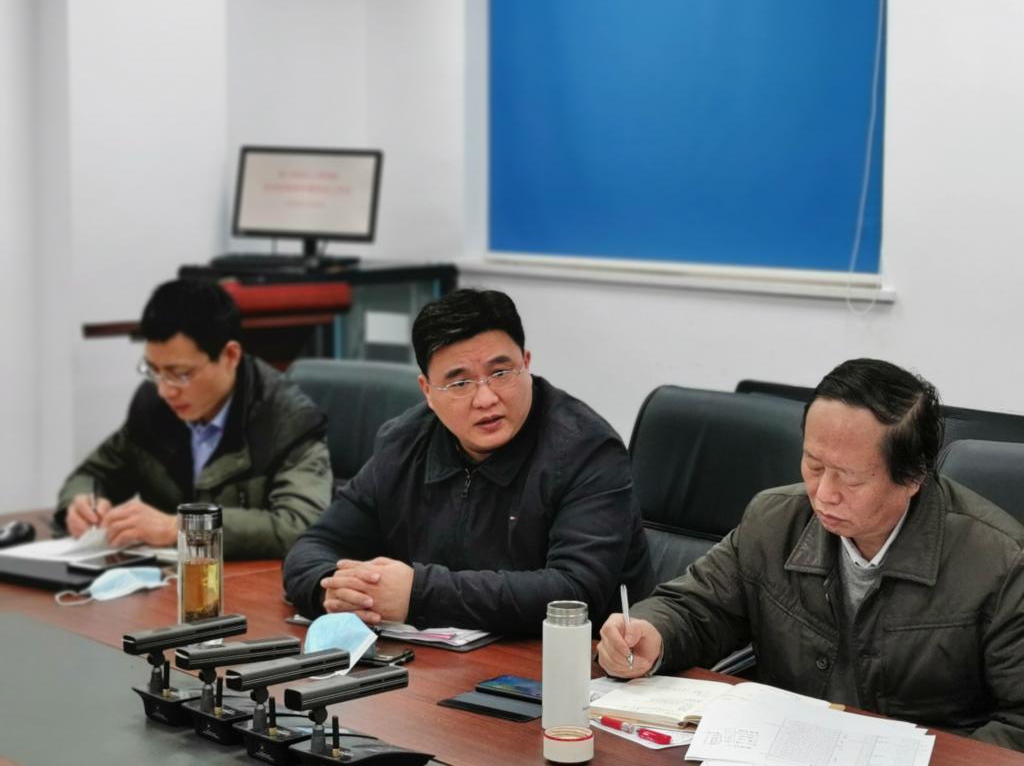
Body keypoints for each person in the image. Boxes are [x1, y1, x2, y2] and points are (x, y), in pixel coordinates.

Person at [597, 358, 1024, 751]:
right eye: (814, 466)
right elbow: (696, 608)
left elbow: (1018, 723)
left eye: (850, 479)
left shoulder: (1000, 564)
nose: (823, 494)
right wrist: (652, 633)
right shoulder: (774, 521)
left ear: (913, 477)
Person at [283, 288, 654, 633]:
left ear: (526, 363)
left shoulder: (587, 451)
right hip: (436, 664)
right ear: (428, 391)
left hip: (565, 667)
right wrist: (331, 591)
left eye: (501, 373)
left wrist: (417, 593)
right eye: (460, 383)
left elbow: (574, 592)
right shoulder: (404, 442)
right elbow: (315, 545)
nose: (486, 398)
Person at [55, 278, 333, 559]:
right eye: (154, 370)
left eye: (181, 374)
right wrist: (81, 504)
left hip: (248, 580)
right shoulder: (153, 406)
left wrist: (181, 527)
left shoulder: (288, 420)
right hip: (164, 577)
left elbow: (300, 525)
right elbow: (93, 475)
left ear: (230, 356)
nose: (165, 390)